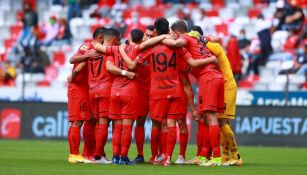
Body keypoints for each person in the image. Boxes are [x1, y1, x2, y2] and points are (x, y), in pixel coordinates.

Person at [119, 18, 218, 166]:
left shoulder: (150, 48)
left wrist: (121, 51)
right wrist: (211, 58)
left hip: (157, 92)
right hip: (175, 90)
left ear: (155, 32)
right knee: (172, 123)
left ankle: (155, 156)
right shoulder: (179, 48)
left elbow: (132, 66)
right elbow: (191, 65)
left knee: (158, 125)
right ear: (168, 31)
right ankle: (167, 158)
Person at [93, 28, 169, 164]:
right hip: (130, 91)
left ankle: (115, 157)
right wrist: (164, 36)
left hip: (115, 90)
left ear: (130, 37)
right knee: (127, 126)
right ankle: (123, 157)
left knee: (117, 127)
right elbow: (146, 47)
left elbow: (97, 46)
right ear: (140, 39)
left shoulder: (115, 49)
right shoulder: (139, 50)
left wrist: (97, 43)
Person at [161, 20, 225, 166]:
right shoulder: (196, 37)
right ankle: (202, 155)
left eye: (172, 33)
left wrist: (162, 38)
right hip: (215, 76)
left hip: (208, 77)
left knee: (211, 116)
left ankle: (216, 157)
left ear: (176, 32)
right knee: (204, 117)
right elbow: (217, 38)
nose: (172, 36)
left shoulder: (185, 39)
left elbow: (177, 45)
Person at [190, 26, 244, 166]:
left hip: (227, 86)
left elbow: (216, 45)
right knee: (221, 123)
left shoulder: (214, 46)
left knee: (221, 122)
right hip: (222, 86)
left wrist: (200, 38)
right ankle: (227, 156)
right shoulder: (206, 49)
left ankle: (236, 156)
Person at [69, 27, 106, 163]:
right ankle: (73, 155)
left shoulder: (100, 50)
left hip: (90, 88)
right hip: (79, 88)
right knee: (77, 121)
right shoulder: (87, 47)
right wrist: (73, 76)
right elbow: (72, 60)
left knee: (90, 120)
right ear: (101, 38)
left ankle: (87, 153)